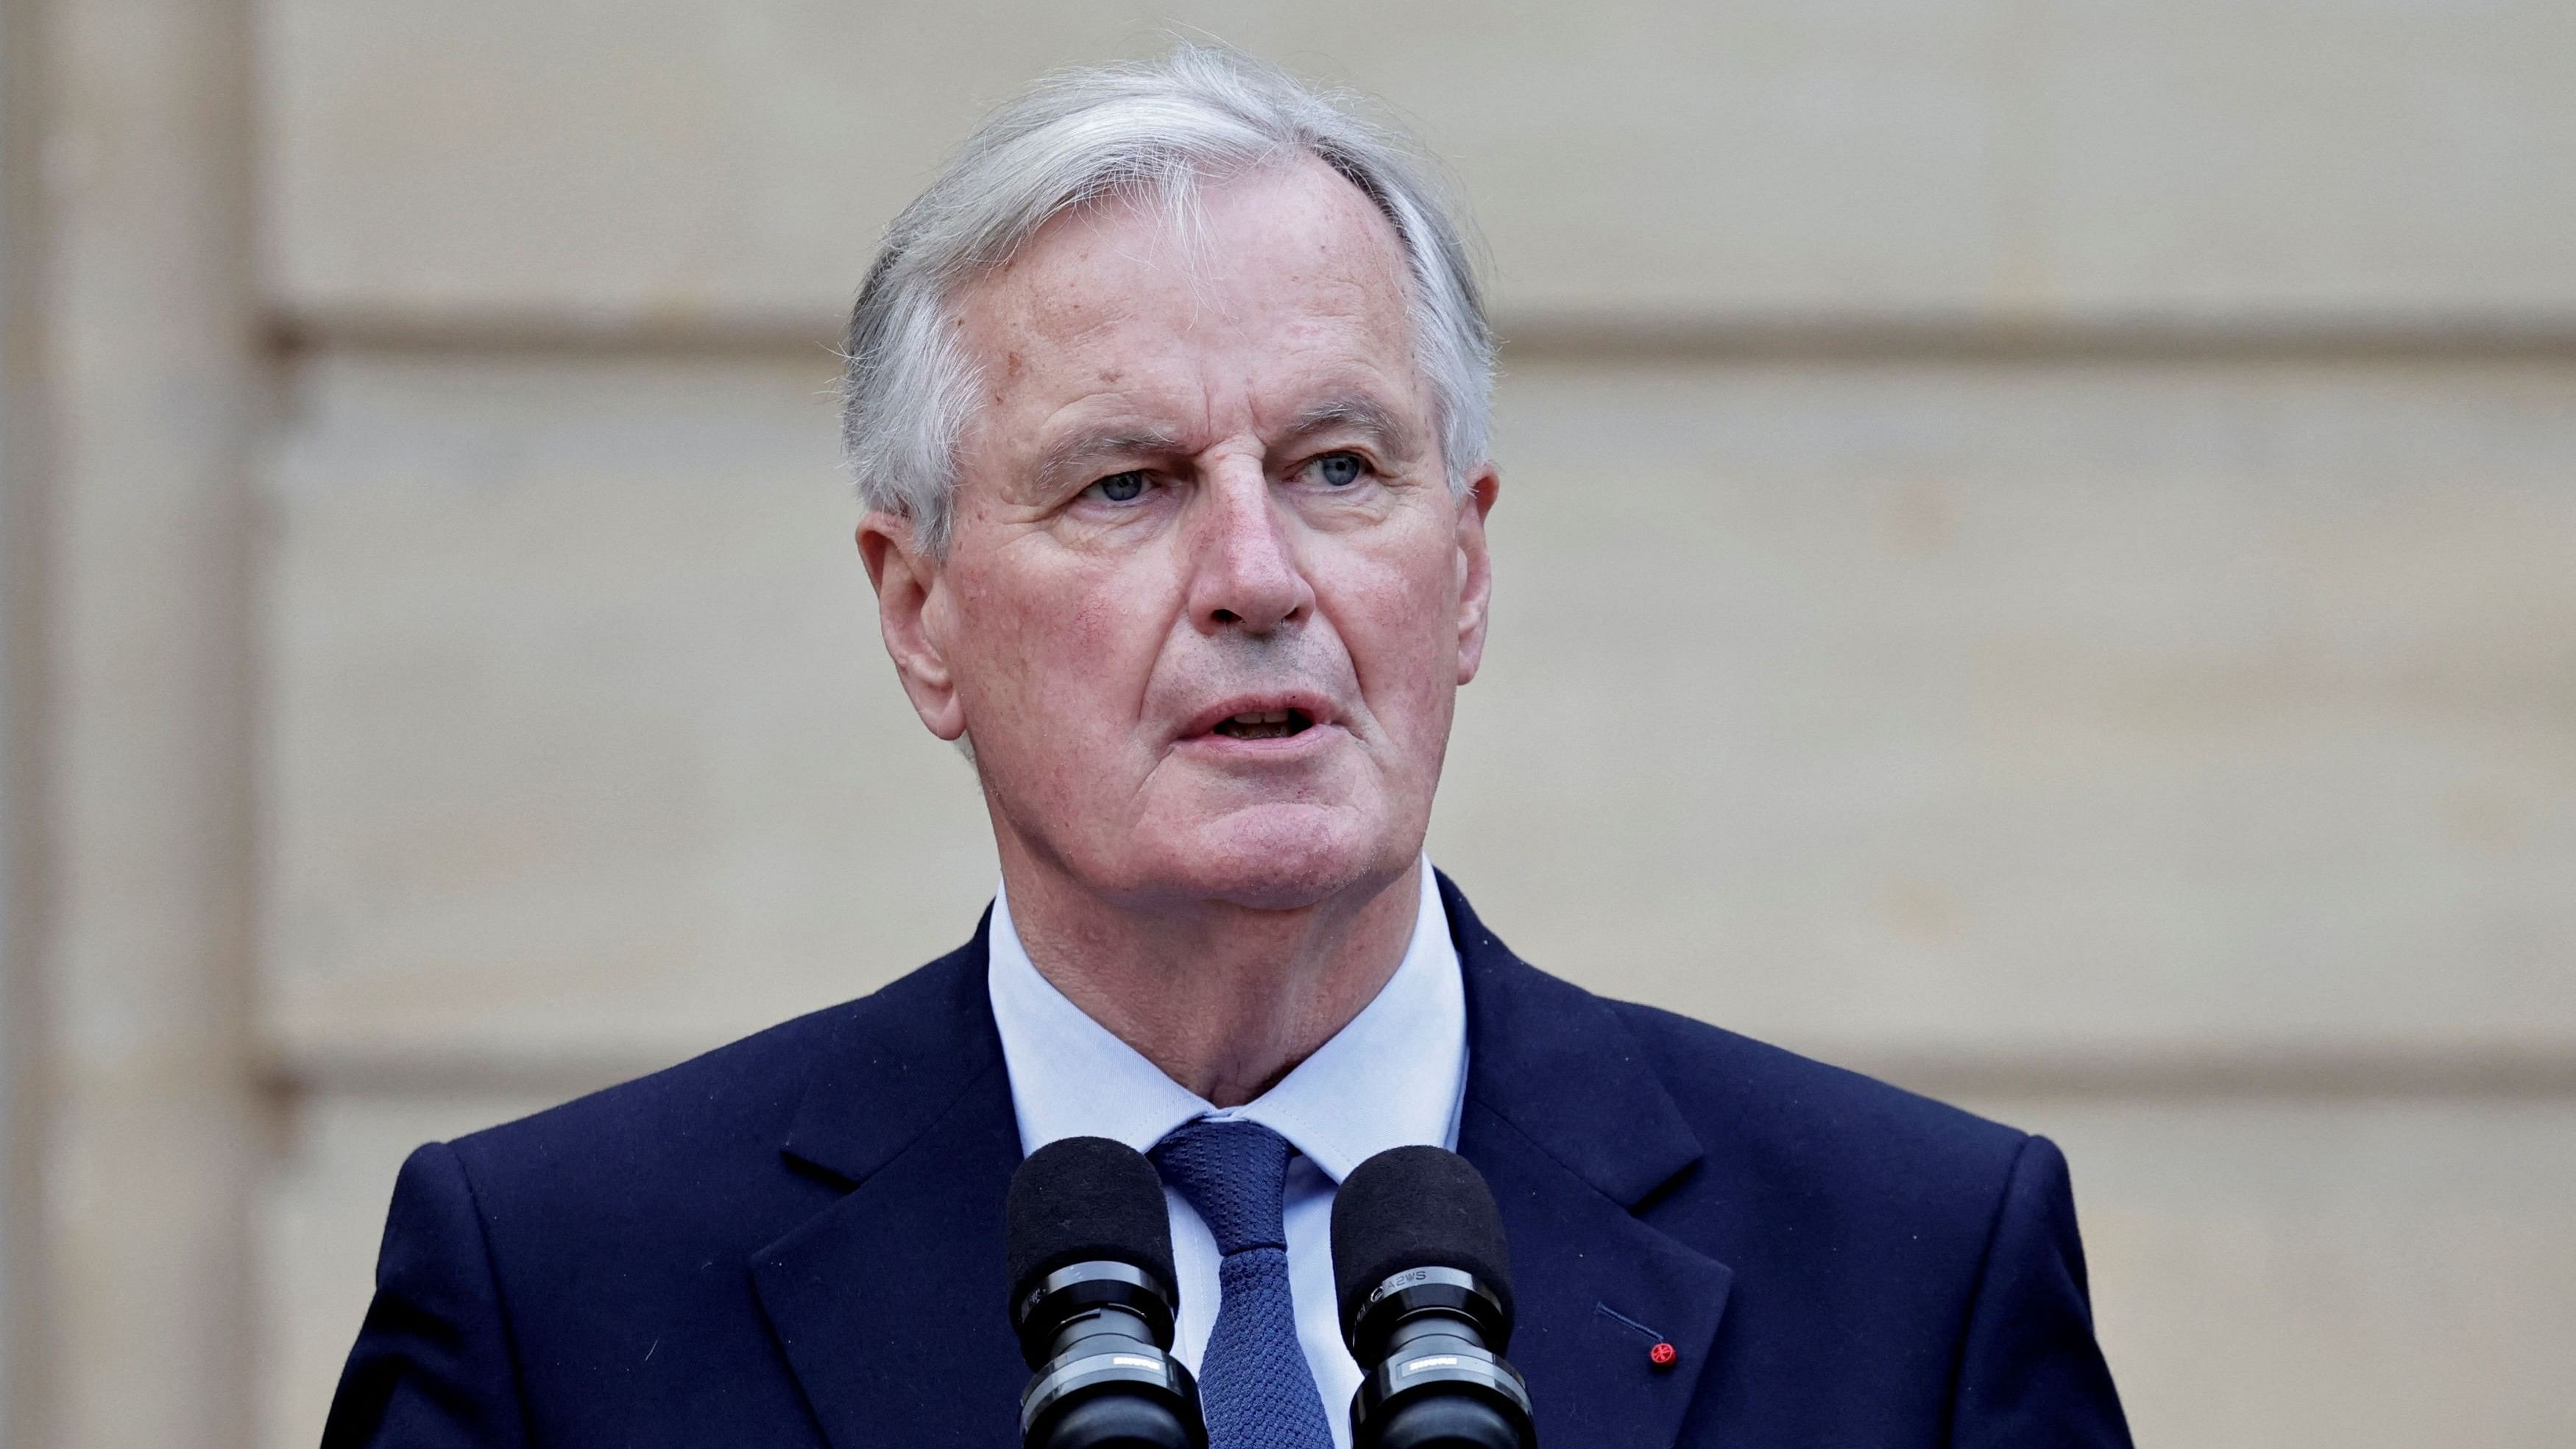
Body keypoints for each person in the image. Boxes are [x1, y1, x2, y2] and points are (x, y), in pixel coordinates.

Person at [322, 45, 2130, 1449]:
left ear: (1469, 568)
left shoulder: (1913, 1269)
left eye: (1340, 468)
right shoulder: (558, 1293)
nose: (1257, 575)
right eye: (1130, 484)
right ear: (919, 611)